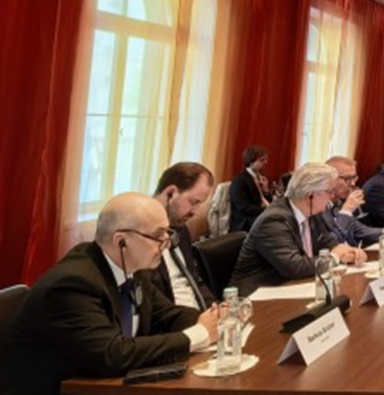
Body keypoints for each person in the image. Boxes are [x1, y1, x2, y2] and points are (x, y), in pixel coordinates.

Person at [0, 194, 218, 394]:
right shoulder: (71, 285)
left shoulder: (131, 267)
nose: (166, 244)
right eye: (158, 236)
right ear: (121, 241)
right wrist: (197, 335)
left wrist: (213, 320)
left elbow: (165, 314)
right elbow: (113, 355)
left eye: (167, 233)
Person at [231, 163, 367, 295]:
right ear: (310, 195)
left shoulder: (313, 213)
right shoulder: (274, 221)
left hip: (294, 287)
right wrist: (336, 257)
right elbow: (295, 267)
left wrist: (349, 251)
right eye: (329, 191)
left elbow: (329, 243)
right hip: (257, 296)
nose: (332, 196)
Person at [146, 162, 216, 309]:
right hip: (172, 322)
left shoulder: (181, 230)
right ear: (170, 193)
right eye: (193, 202)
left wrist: (215, 309)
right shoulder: (140, 234)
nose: (195, 212)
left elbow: (194, 279)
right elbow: (150, 303)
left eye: (200, 204)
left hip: (198, 317)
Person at [323, 156, 384, 247]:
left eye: (354, 177)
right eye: (347, 179)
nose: (353, 183)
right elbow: (331, 242)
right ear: (330, 179)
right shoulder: (318, 209)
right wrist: (346, 211)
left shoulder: (339, 204)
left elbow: (363, 231)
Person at [229, 145, 271, 232]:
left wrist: (266, 190)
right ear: (251, 162)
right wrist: (266, 210)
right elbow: (243, 207)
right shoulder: (239, 180)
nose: (266, 162)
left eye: (266, 159)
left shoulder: (259, 178)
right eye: (262, 160)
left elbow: (265, 201)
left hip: (256, 215)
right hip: (245, 221)